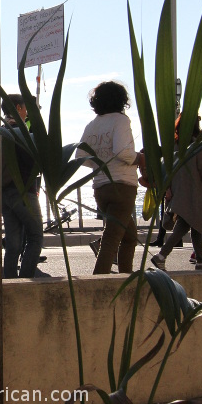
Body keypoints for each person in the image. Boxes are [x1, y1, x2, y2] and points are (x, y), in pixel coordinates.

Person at [77, 82, 143, 275]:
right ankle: (99, 284)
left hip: (100, 188)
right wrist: (140, 158)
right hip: (122, 185)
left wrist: (100, 163)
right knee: (111, 240)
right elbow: (124, 152)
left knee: (129, 237)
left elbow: (80, 157)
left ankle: (124, 278)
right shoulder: (120, 121)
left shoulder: (92, 124)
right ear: (122, 100)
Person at [150, 117, 202, 271]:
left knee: (195, 226)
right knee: (187, 226)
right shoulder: (199, 148)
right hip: (195, 194)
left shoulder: (174, 147)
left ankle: (200, 260)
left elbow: (166, 170)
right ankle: (161, 255)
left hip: (179, 193)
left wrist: (168, 189)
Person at [0, 93, 41, 278]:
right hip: (23, 190)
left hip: (4, 191)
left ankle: (9, 282)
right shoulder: (21, 132)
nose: (27, 112)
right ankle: (25, 279)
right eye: (25, 108)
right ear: (17, 108)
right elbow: (31, 161)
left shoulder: (0, 131)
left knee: (13, 244)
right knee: (35, 236)